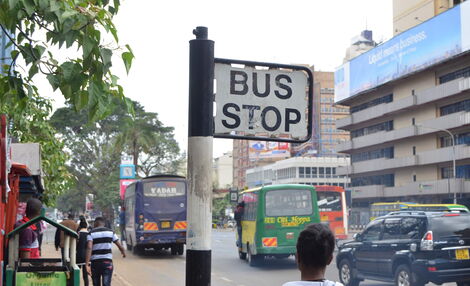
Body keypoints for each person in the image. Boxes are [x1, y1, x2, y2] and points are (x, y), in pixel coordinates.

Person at [86, 217, 126, 286]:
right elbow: (119, 245)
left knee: (96, 284)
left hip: (95, 263)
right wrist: (123, 252)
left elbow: (89, 247)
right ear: (103, 224)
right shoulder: (111, 232)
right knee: (106, 284)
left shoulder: (91, 233)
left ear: (95, 224)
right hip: (107, 262)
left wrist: (87, 264)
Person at [76, 216, 90, 286]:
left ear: (80, 226)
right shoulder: (89, 234)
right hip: (87, 257)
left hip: (78, 256)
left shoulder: (77, 234)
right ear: (86, 226)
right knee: (85, 275)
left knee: (76, 273)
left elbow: (75, 245)